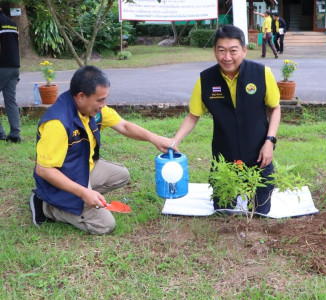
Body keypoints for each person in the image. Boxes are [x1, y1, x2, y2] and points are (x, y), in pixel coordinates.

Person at [30, 66, 177, 234]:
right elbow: (43, 169)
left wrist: (154, 138)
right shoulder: (58, 123)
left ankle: (83, 195)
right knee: (105, 224)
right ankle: (46, 206)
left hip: (81, 170)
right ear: (81, 97)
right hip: (58, 182)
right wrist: (83, 192)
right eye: (100, 100)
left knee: (121, 175)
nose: (103, 105)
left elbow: (124, 125)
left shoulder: (93, 109)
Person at [173, 25, 281, 215]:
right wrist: (175, 141)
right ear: (215, 51)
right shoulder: (205, 79)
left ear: (244, 50)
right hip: (224, 158)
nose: (227, 57)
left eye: (233, 51)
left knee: (261, 211)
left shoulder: (262, 74)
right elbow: (193, 115)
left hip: (259, 155)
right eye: (221, 51)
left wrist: (270, 141)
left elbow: (275, 108)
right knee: (223, 210)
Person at [0, 7, 21, 142]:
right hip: (14, 67)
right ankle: (15, 134)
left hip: (1, 66)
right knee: (10, 101)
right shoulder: (13, 25)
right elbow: (16, 46)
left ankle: (0, 133)